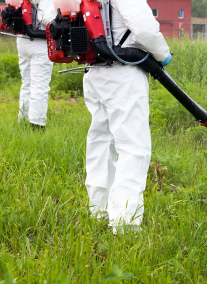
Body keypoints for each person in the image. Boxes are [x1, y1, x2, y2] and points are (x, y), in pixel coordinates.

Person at [83, 0, 172, 234]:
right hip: (122, 74)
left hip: (94, 73)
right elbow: (144, 28)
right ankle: (125, 224)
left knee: (101, 143)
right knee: (134, 148)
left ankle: (99, 210)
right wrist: (163, 54)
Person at [17, 0, 56, 128]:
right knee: (40, 85)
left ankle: (22, 120)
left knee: (27, 83)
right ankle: (37, 125)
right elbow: (45, 18)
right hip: (39, 42)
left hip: (22, 40)